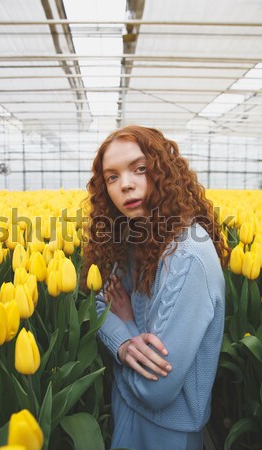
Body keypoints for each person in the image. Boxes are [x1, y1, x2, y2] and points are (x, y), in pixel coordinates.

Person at [83, 125, 227, 450]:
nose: (127, 184)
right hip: (126, 412)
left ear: (164, 172)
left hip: (166, 431)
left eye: (140, 169)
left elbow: (156, 389)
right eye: (112, 177)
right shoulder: (136, 238)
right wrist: (123, 345)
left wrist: (126, 329)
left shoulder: (187, 257)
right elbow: (100, 302)